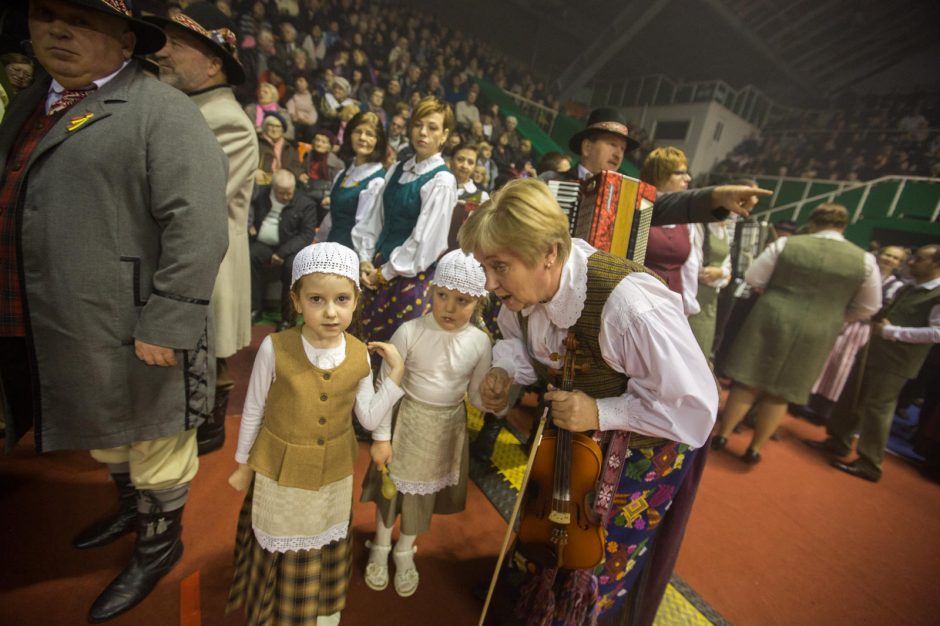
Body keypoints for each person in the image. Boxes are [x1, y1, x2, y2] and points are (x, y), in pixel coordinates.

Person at [0, 0, 228, 621]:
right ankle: (131, 510)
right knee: (109, 436)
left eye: (81, 18)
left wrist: (169, 320)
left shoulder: (165, 111)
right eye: (44, 14)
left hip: (137, 324)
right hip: (71, 318)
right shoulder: (31, 103)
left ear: (126, 39)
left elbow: (200, 228)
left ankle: (158, 544)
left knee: (156, 440)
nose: (58, 30)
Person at [459, 179, 717, 624]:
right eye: (484, 267)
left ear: (550, 254)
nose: (489, 283)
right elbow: (523, 344)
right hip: (573, 443)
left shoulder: (629, 305)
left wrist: (601, 411)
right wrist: (505, 371)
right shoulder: (522, 294)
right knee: (548, 527)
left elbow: (692, 407)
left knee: (594, 558)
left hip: (642, 448)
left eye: (499, 267)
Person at [226, 242, 406, 626]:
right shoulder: (275, 348)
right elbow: (254, 407)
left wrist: (394, 378)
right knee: (281, 534)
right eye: (316, 299)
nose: (330, 311)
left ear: (356, 300)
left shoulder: (359, 353)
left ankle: (319, 607)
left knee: (324, 537)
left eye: (342, 299)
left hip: (333, 472)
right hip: (281, 469)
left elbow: (370, 418)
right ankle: (276, 609)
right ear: (295, 301)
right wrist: (243, 463)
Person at [149, 1, 259, 456]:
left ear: (215, 63)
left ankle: (208, 424)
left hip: (209, 262)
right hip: (200, 258)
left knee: (205, 353)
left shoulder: (226, 121)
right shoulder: (195, 109)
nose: (162, 51)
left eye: (176, 43)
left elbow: (195, 207)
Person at [360, 249, 492, 597]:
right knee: (391, 490)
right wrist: (382, 437)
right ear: (430, 290)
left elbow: (477, 397)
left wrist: (496, 394)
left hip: (446, 428)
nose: (448, 307)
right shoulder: (410, 331)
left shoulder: (480, 343)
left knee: (421, 496)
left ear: (478, 302)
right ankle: (380, 545)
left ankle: (404, 549)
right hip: (408, 419)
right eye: (442, 295)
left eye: (461, 300)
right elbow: (386, 385)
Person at [714, 203, 882, 463]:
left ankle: (722, 435)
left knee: (747, 380)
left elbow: (754, 277)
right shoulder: (865, 260)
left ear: (812, 222)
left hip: (772, 315)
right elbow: (870, 307)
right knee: (783, 391)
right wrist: (837, 315)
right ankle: (755, 448)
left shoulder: (785, 245)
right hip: (821, 327)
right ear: (844, 227)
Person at [806, 244, 940, 482]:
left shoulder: (936, 293)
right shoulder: (911, 287)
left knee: (877, 410)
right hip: (874, 350)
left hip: (897, 361)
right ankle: (838, 441)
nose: (911, 262)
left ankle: (870, 463)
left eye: (919, 259)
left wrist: (893, 332)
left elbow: (936, 333)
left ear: (936, 264)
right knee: (852, 398)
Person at [353, 95, 459, 345]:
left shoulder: (442, 181)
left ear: (444, 135)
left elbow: (425, 243)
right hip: (375, 270)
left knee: (391, 354)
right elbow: (374, 220)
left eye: (432, 128)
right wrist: (365, 260)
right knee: (359, 345)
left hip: (409, 280)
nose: (423, 133)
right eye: (418, 125)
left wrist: (385, 273)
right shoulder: (396, 169)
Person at [559, 107, 772, 225]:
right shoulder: (553, 183)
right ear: (587, 147)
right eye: (612, 144)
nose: (618, 154)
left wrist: (718, 196)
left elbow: (669, 203)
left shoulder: (627, 193)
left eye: (623, 149)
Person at [249, 169, 318, 330]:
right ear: (272, 188)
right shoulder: (260, 195)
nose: (286, 197)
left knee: (291, 266)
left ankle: (287, 317)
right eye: (281, 193)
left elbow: (306, 235)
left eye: (289, 193)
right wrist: (249, 224)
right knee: (250, 256)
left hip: (290, 247)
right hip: (264, 244)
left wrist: (282, 252)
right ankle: (254, 309)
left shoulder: (305, 203)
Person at [316, 110, 387, 249]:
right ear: (349, 135)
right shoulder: (342, 174)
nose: (362, 137)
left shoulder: (377, 182)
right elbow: (332, 218)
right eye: (358, 131)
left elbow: (366, 230)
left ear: (378, 141)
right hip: (329, 247)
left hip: (351, 255)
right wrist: (318, 243)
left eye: (370, 134)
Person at [639, 148, 697, 304]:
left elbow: (690, 268)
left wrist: (687, 306)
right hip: (640, 299)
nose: (688, 178)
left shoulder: (686, 219)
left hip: (674, 303)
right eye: (679, 173)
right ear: (658, 176)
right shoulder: (639, 209)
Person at [447, 142, 489, 250]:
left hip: (455, 252)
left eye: (470, 162)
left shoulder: (480, 197)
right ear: (451, 161)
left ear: (475, 167)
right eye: (460, 159)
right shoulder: (438, 185)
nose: (465, 166)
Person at [256, 110, 303, 184]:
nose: (274, 130)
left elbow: (296, 166)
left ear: (282, 130)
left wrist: (293, 175)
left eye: (278, 126)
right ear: (265, 127)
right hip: (261, 181)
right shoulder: (257, 142)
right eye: (271, 126)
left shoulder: (290, 147)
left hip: (283, 182)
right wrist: (254, 171)